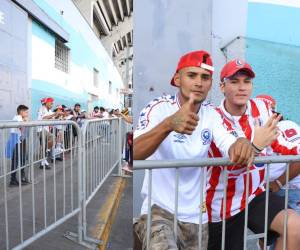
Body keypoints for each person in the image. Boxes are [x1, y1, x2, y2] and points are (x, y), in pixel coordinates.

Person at [133, 51, 277, 250]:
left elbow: (230, 145)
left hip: (196, 217)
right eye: (192, 75)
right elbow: (135, 152)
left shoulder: (212, 115)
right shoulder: (159, 108)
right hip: (159, 211)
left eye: (205, 77)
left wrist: (243, 144)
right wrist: (168, 125)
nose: (199, 83)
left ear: (211, 84)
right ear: (177, 79)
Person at [206, 60, 300, 250]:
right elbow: (233, 164)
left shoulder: (263, 107)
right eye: (234, 82)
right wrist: (256, 145)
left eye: (247, 81)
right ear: (222, 87)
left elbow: (281, 144)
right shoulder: (212, 116)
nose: (242, 88)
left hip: (253, 194)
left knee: (295, 227)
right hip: (221, 202)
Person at [6, 105, 30, 186]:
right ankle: (12, 180)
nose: (27, 114)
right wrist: (25, 121)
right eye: (26, 112)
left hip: (20, 140)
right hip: (16, 142)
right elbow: (22, 127)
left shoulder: (20, 118)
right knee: (15, 161)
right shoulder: (18, 117)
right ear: (21, 112)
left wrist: (26, 121)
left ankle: (22, 178)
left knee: (22, 159)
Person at [37, 97, 63, 169]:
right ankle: (47, 152)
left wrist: (58, 115)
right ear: (46, 103)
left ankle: (43, 163)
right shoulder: (42, 108)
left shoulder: (49, 110)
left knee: (44, 146)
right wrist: (55, 114)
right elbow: (44, 118)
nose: (52, 104)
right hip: (41, 130)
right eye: (51, 103)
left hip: (46, 130)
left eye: (52, 103)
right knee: (52, 138)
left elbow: (53, 117)